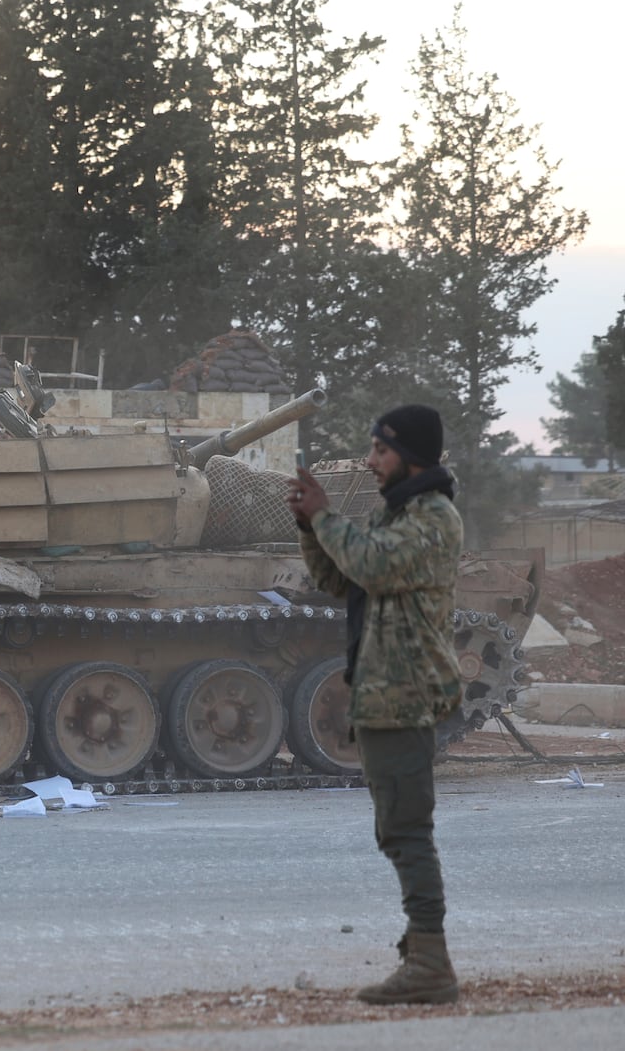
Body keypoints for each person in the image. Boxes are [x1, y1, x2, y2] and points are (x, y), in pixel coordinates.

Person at [286, 404, 463, 1006]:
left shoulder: (434, 518)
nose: (370, 461)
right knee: (398, 830)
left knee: (407, 832)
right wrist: (313, 530)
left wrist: (327, 518)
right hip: (384, 693)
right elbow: (343, 580)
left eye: (380, 451)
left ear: (411, 454)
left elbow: (372, 564)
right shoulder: (401, 513)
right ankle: (423, 955)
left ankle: (430, 965)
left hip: (404, 694)